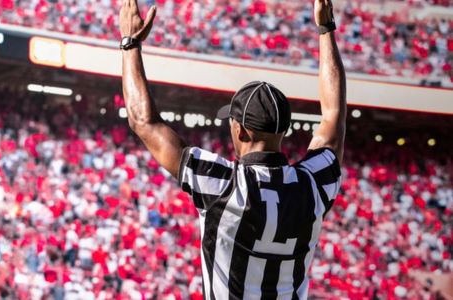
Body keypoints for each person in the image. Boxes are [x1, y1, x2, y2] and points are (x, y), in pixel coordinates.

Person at [119, 0, 346, 298]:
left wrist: (130, 44)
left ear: (240, 130)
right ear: (284, 130)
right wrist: (326, 30)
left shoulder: (221, 184)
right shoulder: (313, 185)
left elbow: (143, 121)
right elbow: (333, 115)